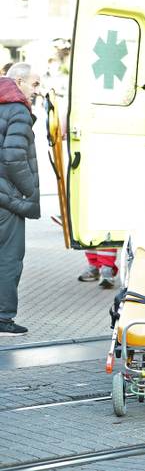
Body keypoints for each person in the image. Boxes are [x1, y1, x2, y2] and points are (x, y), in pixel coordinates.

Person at [0, 63, 41, 337]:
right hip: (7, 200)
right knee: (9, 259)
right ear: (19, 81)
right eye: (34, 84)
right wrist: (30, 191)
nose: (36, 90)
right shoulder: (17, 110)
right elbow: (14, 157)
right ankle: (3, 319)